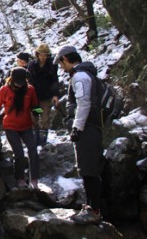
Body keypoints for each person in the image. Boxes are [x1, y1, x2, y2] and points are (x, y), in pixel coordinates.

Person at [54, 45, 103, 224]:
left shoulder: (80, 77)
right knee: (89, 168)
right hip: (91, 127)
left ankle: (94, 210)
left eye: (61, 63)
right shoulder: (86, 74)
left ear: (66, 59)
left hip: (87, 129)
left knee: (88, 169)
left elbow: (83, 104)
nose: (61, 66)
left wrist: (76, 128)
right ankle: (91, 206)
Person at [0, 67, 40, 189]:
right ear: (12, 79)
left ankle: (34, 178)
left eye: (22, 82)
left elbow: (35, 105)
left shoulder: (30, 90)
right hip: (10, 126)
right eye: (17, 82)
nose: (19, 85)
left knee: (33, 150)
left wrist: (38, 114)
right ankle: (20, 178)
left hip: (26, 126)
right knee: (19, 153)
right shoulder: (4, 90)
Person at [27, 43, 59, 145]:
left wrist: (55, 95)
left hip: (46, 97)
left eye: (45, 55)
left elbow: (54, 80)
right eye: (41, 54)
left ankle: (43, 139)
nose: (43, 57)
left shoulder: (52, 65)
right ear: (37, 54)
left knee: (45, 118)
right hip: (35, 97)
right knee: (34, 117)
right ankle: (35, 139)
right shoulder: (32, 65)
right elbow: (29, 80)